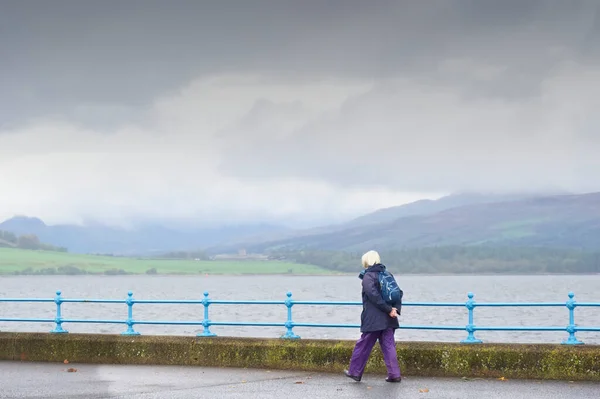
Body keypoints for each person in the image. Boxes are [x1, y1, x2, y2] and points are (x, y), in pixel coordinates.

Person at [344, 250, 402, 383]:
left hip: (374, 319)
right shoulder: (387, 274)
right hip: (389, 318)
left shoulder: (368, 276)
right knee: (389, 345)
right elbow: (398, 293)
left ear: (366, 261)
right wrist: (394, 310)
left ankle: (354, 372)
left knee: (363, 345)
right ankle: (394, 374)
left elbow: (373, 296)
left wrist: (388, 309)